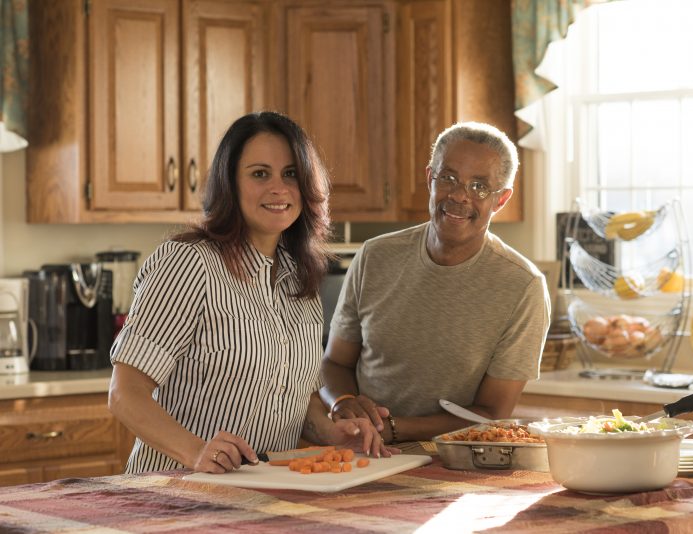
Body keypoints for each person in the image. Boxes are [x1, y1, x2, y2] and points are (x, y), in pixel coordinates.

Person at [108, 111, 391, 474]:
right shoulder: (188, 264)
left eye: (291, 174)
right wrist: (196, 452)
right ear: (230, 183)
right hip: (175, 495)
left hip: (265, 496)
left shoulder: (299, 280)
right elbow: (125, 394)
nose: (279, 188)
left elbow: (297, 401)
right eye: (260, 174)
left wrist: (335, 435)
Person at [320, 121, 551, 443]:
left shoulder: (522, 286)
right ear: (430, 178)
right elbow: (335, 362)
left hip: (456, 462)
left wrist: (393, 429)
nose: (459, 195)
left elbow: (491, 412)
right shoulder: (375, 257)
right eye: (449, 178)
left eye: (479, 186)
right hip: (363, 450)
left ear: (501, 200)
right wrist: (344, 404)